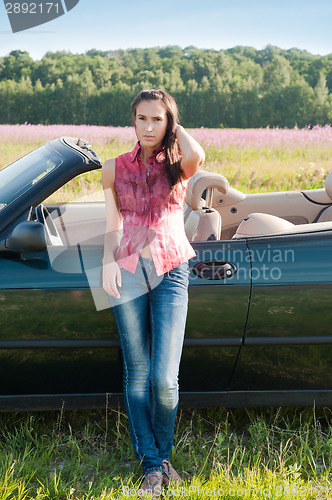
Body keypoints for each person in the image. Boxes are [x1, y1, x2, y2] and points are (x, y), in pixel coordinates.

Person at [102, 89, 205, 498]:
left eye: (157, 120)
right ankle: (152, 464)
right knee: (138, 374)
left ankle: (162, 457)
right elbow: (113, 220)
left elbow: (199, 156)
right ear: (133, 121)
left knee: (164, 379)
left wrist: (175, 129)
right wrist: (108, 261)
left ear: (168, 124)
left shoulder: (177, 167)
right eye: (141, 119)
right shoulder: (113, 169)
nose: (147, 127)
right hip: (127, 269)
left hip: (171, 269)